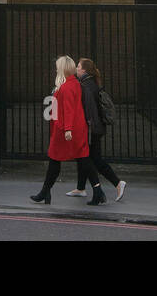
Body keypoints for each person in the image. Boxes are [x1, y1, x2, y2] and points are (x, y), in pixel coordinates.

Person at [30, 54, 106, 206]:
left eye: (58, 66)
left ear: (63, 68)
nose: (56, 68)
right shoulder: (73, 83)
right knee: (83, 159)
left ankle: (45, 192)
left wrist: (67, 130)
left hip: (65, 130)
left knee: (56, 159)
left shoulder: (67, 86)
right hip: (75, 128)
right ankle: (98, 191)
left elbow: (69, 109)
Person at [66, 57, 126, 202]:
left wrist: (86, 128)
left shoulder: (86, 86)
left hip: (91, 130)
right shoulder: (90, 83)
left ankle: (118, 183)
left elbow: (89, 111)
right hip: (95, 128)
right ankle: (80, 188)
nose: (76, 69)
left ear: (84, 70)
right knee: (83, 157)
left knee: (93, 159)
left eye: (78, 67)